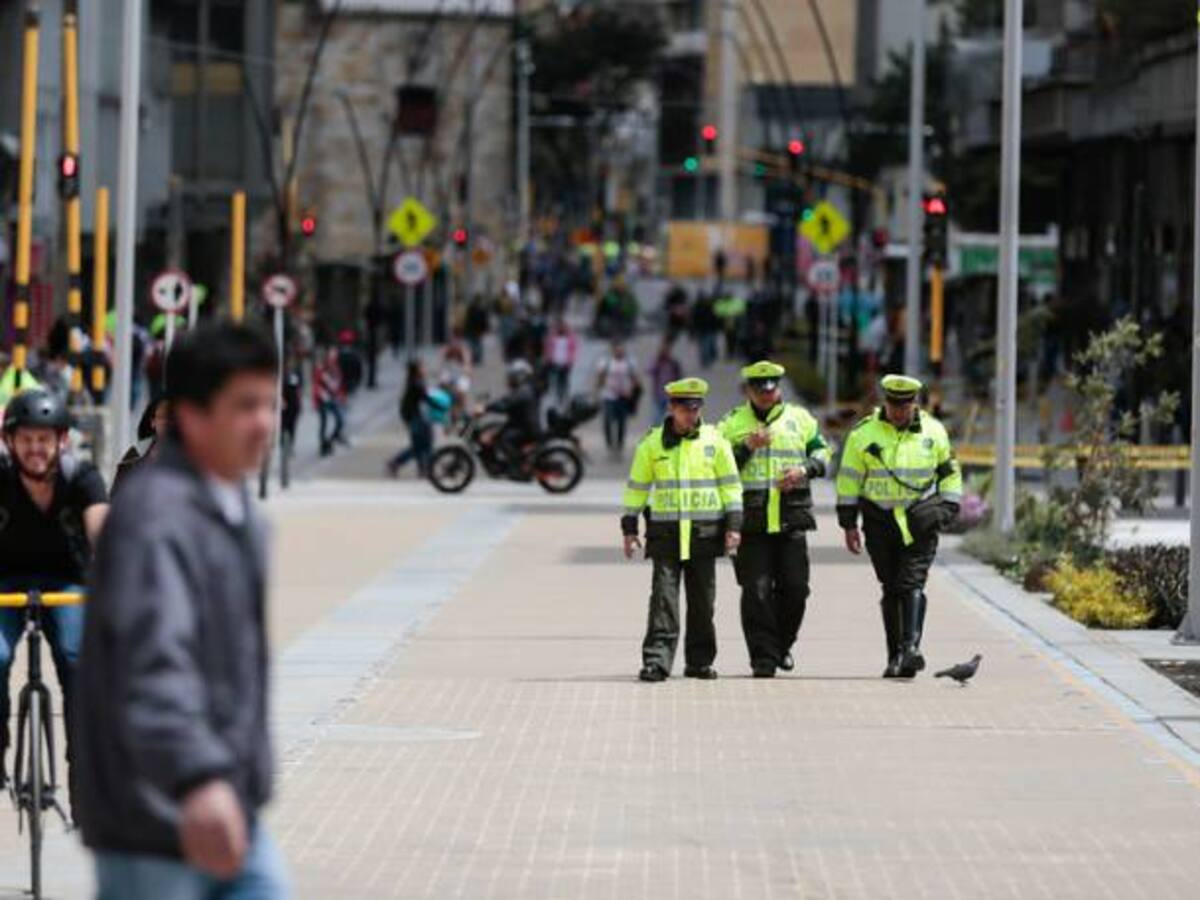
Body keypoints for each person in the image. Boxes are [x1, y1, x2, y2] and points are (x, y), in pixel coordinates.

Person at [77, 321, 291, 898]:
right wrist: (198, 778)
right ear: (191, 415)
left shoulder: (231, 509)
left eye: (271, 405)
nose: (264, 424)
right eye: (244, 406)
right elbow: (154, 662)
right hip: (156, 818)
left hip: (223, 805)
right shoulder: (155, 520)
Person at [0, 389, 108, 798]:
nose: (35, 449)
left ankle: (81, 767)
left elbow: (101, 526)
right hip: (5, 584)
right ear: (10, 441)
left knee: (77, 658)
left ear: (61, 440)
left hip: (68, 584)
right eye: (26, 439)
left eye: (44, 439)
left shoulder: (82, 477)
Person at [836, 374, 963, 679]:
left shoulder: (934, 432)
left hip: (921, 520)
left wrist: (947, 508)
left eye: (904, 406)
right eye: (893, 405)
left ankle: (911, 649)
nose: (898, 411)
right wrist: (848, 523)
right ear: (885, 402)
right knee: (891, 587)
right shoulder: (863, 434)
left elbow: (949, 472)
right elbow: (849, 480)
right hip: (880, 522)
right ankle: (895, 656)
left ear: (914, 403)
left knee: (912, 583)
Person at [621, 378, 743, 682]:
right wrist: (630, 527)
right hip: (666, 536)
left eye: (696, 408)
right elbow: (637, 488)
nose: (691, 415)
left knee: (703, 603)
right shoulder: (651, 444)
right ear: (671, 408)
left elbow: (731, 488)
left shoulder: (715, 442)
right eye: (685, 409)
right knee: (663, 601)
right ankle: (656, 662)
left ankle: (699, 662)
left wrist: (734, 527)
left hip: (704, 534)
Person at [719, 361, 830, 677]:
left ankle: (782, 645)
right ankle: (763, 658)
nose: (766, 395)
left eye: (772, 389)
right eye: (759, 390)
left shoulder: (800, 419)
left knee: (796, 589)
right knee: (756, 591)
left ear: (778, 388)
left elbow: (824, 453)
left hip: (791, 516)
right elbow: (717, 467)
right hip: (750, 521)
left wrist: (803, 470)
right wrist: (745, 448)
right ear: (749, 391)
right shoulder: (731, 423)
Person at [484, 359, 542, 475]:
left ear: (519, 376)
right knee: (493, 433)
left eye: (512, 376)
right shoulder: (523, 389)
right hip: (519, 424)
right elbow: (506, 400)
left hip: (526, 429)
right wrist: (488, 405)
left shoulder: (524, 391)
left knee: (504, 439)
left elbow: (506, 404)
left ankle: (519, 467)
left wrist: (486, 408)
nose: (509, 379)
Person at [388, 360, 436, 477]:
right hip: (417, 418)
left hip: (416, 418)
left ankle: (423, 469)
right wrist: (441, 405)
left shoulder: (414, 382)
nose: (424, 369)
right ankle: (424, 468)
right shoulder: (416, 384)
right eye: (422, 367)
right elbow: (427, 399)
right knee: (423, 445)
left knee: (421, 445)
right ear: (417, 370)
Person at [112, 397, 171, 494]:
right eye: (164, 417)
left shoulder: (195, 459)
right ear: (153, 422)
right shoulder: (133, 457)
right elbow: (116, 500)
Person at [595, 340, 640, 454]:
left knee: (621, 422)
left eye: (621, 349)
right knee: (607, 421)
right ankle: (610, 443)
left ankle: (619, 444)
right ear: (612, 350)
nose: (619, 351)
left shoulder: (629, 363)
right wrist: (596, 392)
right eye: (617, 349)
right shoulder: (606, 362)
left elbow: (635, 379)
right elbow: (600, 379)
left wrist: (633, 392)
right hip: (609, 396)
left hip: (623, 397)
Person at [313, 345, 347, 456]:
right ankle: (323, 445)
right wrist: (317, 400)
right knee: (324, 423)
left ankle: (331, 440)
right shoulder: (320, 370)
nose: (332, 361)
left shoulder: (337, 370)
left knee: (340, 420)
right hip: (322, 400)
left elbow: (339, 386)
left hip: (333, 399)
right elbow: (316, 386)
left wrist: (342, 396)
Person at [544, 316, 579, 405]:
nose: (562, 328)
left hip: (565, 362)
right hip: (554, 361)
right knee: (555, 379)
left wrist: (571, 360)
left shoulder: (570, 337)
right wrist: (548, 358)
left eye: (563, 326)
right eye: (560, 326)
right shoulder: (552, 336)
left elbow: (574, 349)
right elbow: (547, 347)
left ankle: (563, 395)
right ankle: (556, 395)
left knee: (564, 380)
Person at [646, 338, 682, 423]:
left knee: (673, 418)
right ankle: (658, 434)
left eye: (667, 351)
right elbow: (649, 371)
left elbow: (679, 378)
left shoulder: (673, 363)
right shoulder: (658, 363)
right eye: (664, 351)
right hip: (659, 394)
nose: (666, 353)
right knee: (657, 419)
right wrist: (657, 361)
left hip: (671, 395)